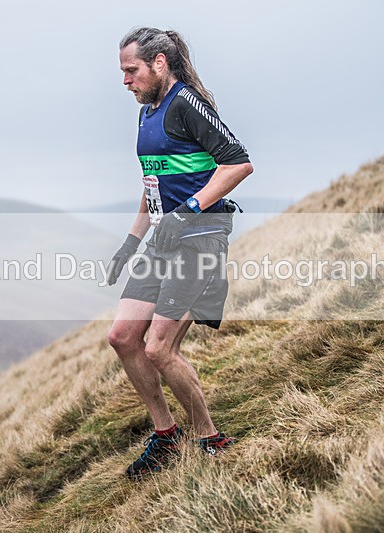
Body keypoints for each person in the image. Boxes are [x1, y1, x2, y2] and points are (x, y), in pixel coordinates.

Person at [106, 27, 253, 480]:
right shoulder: (146, 114)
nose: (125, 81)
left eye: (131, 71)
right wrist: (131, 243)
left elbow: (238, 163)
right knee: (124, 337)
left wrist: (187, 209)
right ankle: (167, 435)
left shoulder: (187, 104)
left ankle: (210, 439)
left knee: (158, 347)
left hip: (200, 237)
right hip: (164, 239)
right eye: (123, 72)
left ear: (159, 64)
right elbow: (152, 188)